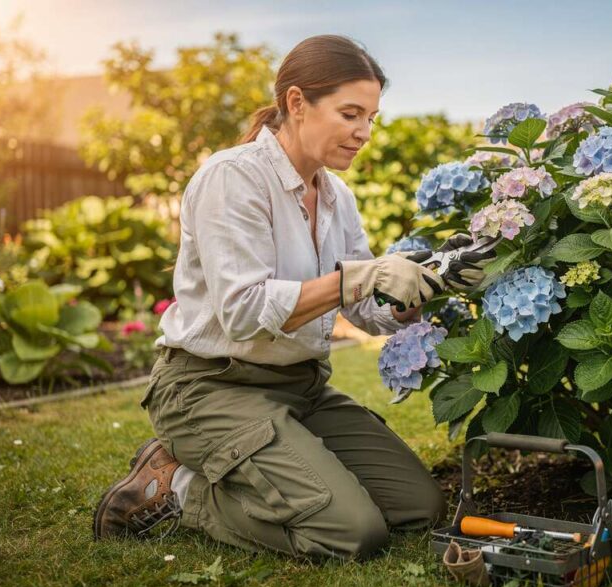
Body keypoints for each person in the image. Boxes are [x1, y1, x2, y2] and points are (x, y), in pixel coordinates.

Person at [92, 35, 493, 560]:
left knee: (419, 506)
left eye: (372, 117)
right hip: (208, 390)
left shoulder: (335, 195)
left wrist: (427, 283)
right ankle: (176, 489)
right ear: (297, 103)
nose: (364, 132)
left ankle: (275, 468)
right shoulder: (231, 179)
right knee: (352, 533)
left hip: (301, 389)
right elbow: (242, 313)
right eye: (351, 114)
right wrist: (359, 277)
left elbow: (366, 312)